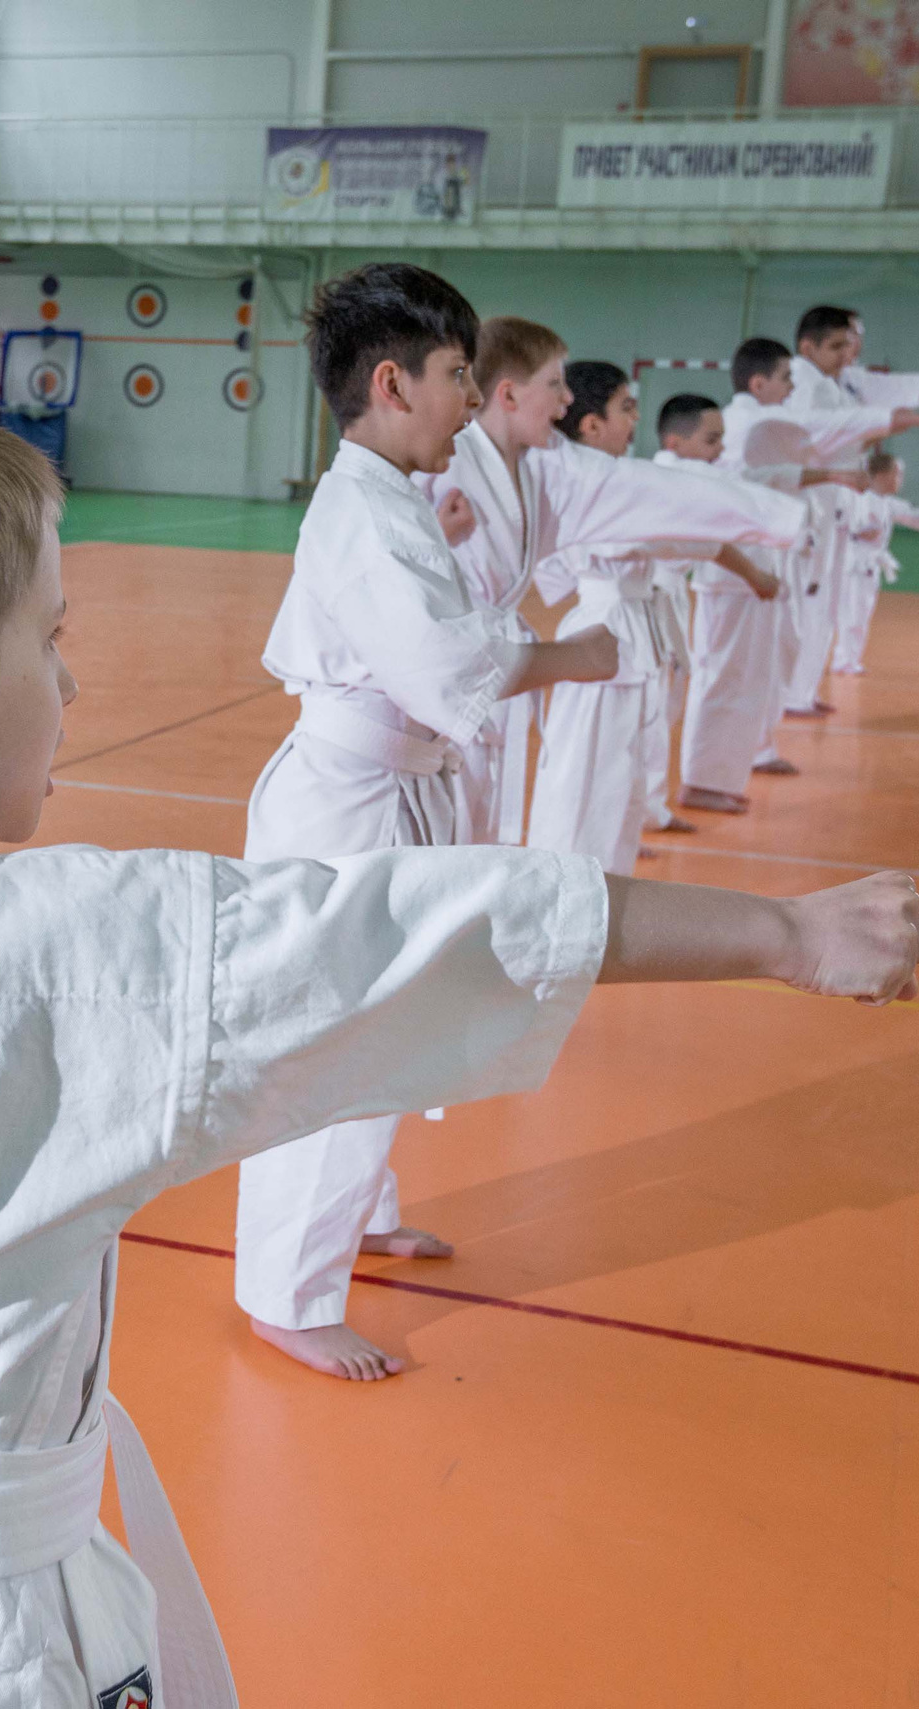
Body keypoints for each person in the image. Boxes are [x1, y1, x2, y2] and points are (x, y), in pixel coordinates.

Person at [0, 376, 919, 1707]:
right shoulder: (65, 947)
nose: (74, 688)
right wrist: (788, 937)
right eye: (49, 643)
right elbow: (427, 930)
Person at [242, 270, 794, 1381]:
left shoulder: (402, 493)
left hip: (404, 790)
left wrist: (763, 516)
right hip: (348, 805)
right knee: (335, 1038)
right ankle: (285, 1295)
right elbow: (449, 669)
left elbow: (611, 511)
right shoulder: (359, 511)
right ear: (394, 384)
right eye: (457, 377)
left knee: (395, 1017)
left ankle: (363, 1214)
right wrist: (571, 656)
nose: (472, 397)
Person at [528, 361, 803, 873]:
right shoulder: (586, 480)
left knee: (625, 764)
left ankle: (610, 866)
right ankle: (569, 877)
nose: (636, 419)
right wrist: (767, 518)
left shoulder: (613, 479)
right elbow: (677, 513)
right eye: (626, 408)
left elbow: (683, 521)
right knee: (589, 770)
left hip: (632, 619)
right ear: (591, 425)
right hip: (604, 625)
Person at [721, 336, 919, 769]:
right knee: (742, 665)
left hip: (773, 548)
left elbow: (804, 449)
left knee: (777, 646)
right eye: (785, 378)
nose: (792, 387)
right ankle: (735, 759)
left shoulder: (771, 419)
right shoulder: (751, 423)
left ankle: (756, 749)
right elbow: (801, 446)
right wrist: (911, 421)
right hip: (749, 556)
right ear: (758, 383)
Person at [409, 315, 575, 846]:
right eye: (554, 384)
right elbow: (387, 567)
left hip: (498, 656)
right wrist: (437, 532)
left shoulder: (528, 469)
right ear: (507, 393)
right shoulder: (444, 463)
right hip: (455, 671)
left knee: (486, 818)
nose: (566, 399)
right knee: (454, 822)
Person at [650, 393, 791, 816]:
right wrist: (754, 573)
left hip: (670, 596)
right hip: (654, 598)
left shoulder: (684, 471)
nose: (719, 451)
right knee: (661, 708)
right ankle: (656, 803)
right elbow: (710, 539)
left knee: (667, 707)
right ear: (675, 442)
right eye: (712, 440)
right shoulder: (675, 473)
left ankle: (655, 804)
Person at [832, 450, 919, 677]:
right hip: (854, 566)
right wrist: (861, 531)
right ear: (882, 475)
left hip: (869, 566)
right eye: (897, 474)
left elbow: (910, 514)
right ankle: (843, 661)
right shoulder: (859, 498)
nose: (900, 480)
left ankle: (850, 659)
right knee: (852, 615)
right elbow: (847, 524)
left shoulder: (887, 502)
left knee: (861, 615)